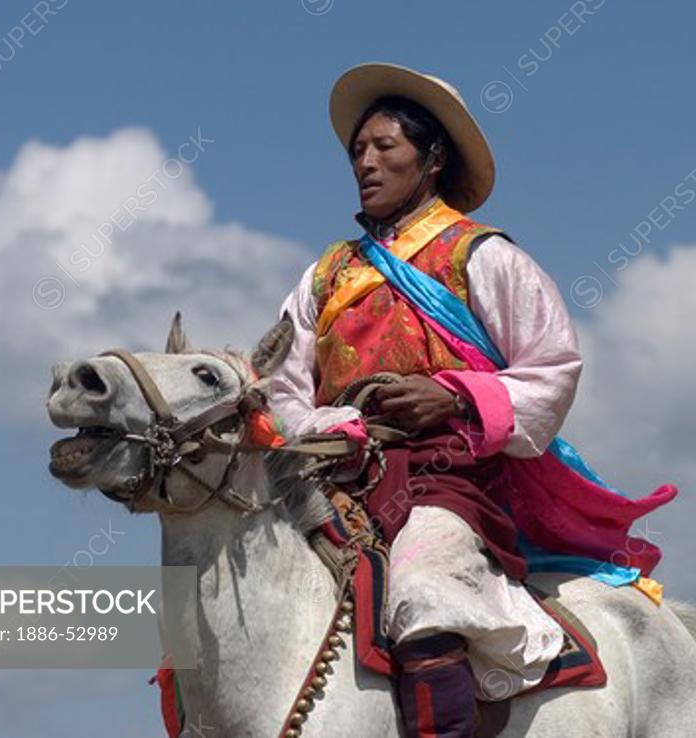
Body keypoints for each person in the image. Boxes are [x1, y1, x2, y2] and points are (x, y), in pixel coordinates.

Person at [269, 63, 674, 738]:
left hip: (447, 483)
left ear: (431, 160)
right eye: (357, 152)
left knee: (425, 592)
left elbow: (552, 368)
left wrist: (454, 398)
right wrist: (334, 424)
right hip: (334, 483)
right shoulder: (326, 274)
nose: (365, 163)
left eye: (384, 148)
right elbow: (281, 384)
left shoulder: (480, 256)